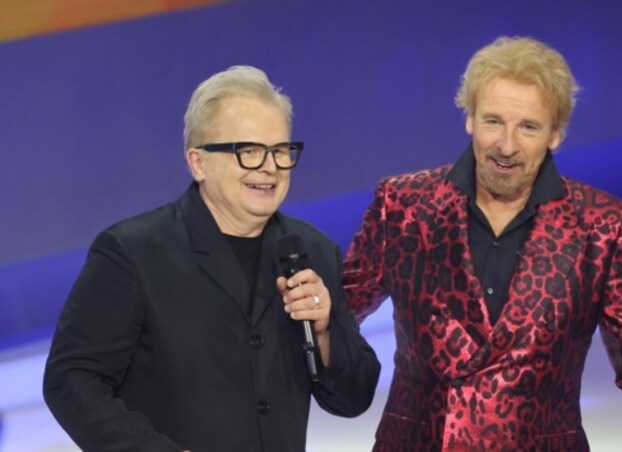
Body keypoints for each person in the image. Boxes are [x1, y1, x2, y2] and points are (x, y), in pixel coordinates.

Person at [343, 36, 622, 450]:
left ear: (555, 135)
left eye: (528, 127)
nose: (507, 146)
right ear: (470, 119)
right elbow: (338, 306)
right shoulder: (403, 207)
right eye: (493, 121)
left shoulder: (600, 226)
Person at [43, 65, 380, 451]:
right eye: (249, 151)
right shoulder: (132, 252)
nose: (269, 167)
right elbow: (70, 379)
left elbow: (354, 398)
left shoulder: (311, 250)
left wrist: (323, 333)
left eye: (281, 150)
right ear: (198, 162)